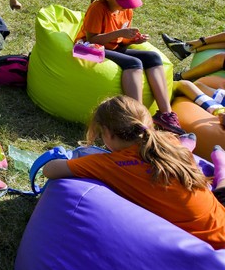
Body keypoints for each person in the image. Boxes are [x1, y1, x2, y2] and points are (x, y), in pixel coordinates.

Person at [43, 95, 225, 249]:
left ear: (107, 133)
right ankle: (209, 158)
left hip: (208, 248)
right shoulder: (169, 141)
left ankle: (221, 165)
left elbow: (50, 170)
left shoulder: (109, 164)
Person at [74, 0, 184, 134]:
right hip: (88, 49)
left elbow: (120, 41)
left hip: (112, 47)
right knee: (134, 63)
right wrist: (119, 34)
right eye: (122, 1)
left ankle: (166, 115)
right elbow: (93, 39)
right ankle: (136, 118)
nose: (127, 5)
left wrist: (133, 40)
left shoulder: (127, 10)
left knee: (153, 57)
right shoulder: (97, 9)